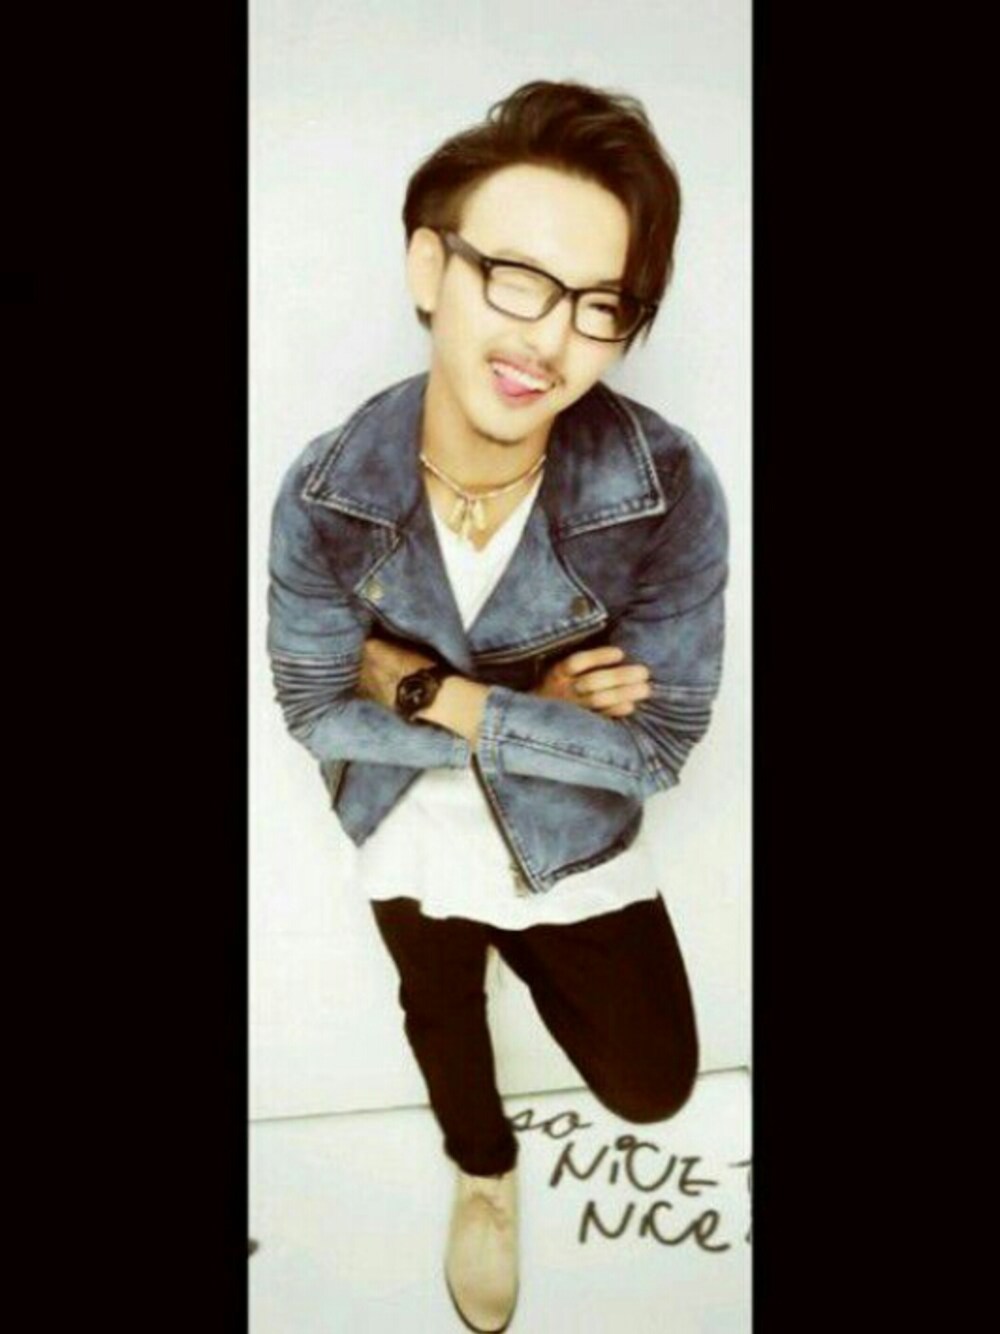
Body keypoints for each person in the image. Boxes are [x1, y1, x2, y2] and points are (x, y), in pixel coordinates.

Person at [267, 79, 729, 1333]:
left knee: (653, 1084)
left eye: (598, 304)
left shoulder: (666, 484)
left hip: (570, 835)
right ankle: (482, 1169)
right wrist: (545, 710)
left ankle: (520, 931)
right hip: (402, 817)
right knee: (438, 1003)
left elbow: (658, 746)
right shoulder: (325, 492)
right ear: (430, 267)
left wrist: (428, 685)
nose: (549, 339)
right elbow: (314, 709)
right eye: (516, 279)